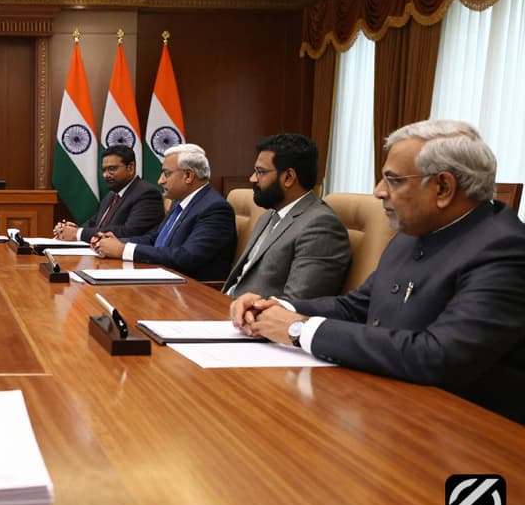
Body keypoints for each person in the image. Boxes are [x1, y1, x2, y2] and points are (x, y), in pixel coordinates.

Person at [231, 120, 525, 423]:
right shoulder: (413, 233)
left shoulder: (505, 250)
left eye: (393, 180)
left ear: (443, 187)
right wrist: (279, 307)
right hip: (386, 404)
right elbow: (357, 305)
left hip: (465, 429)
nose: (378, 192)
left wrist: (298, 330)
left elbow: (438, 357)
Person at [223, 134, 350, 298]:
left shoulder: (321, 226)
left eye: (260, 172)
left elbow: (296, 303)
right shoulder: (269, 215)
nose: (252, 178)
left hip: (254, 318)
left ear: (288, 177)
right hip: (226, 307)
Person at [92, 143, 235, 281]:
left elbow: (186, 257)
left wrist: (124, 250)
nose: (160, 181)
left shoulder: (215, 209)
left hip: (194, 292)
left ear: (188, 176)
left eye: (166, 174)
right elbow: (155, 239)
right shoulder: (180, 202)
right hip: (166, 281)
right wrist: (115, 243)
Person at [53, 144, 163, 241]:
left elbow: (129, 231)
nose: (106, 175)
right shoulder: (112, 194)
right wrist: (72, 229)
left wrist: (78, 234)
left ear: (130, 168)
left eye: (112, 169)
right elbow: (94, 223)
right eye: (104, 170)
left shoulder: (147, 194)